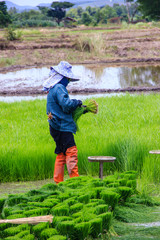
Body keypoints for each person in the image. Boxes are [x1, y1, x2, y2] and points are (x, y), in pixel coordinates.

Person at [43, 61, 82, 184]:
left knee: (61, 153)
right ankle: (75, 181)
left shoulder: (53, 88)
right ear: (62, 77)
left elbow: (61, 107)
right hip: (62, 127)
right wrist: (77, 102)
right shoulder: (59, 88)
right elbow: (66, 105)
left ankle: (58, 182)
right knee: (71, 151)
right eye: (67, 78)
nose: (68, 81)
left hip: (54, 127)